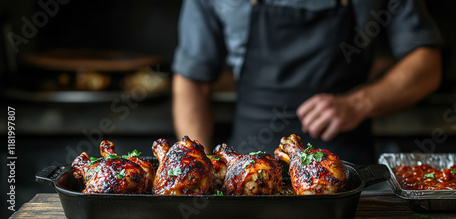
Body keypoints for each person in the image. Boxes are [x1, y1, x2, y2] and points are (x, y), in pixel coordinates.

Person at [171, 0, 442, 164]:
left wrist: (359, 103)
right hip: (244, 171)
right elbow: (192, 80)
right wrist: (200, 167)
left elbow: (427, 63)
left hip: (344, 171)